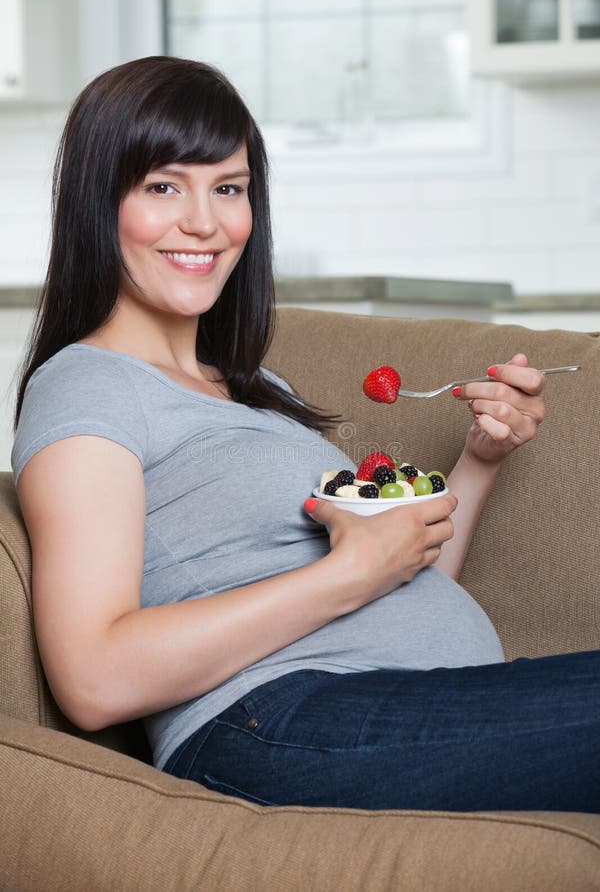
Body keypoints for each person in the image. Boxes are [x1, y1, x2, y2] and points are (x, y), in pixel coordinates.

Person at [11, 56, 599, 814]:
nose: (204, 221)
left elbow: (398, 576)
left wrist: (481, 460)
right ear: (100, 201)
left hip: (404, 705)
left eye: (229, 188)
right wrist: (345, 574)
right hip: (278, 724)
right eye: (163, 186)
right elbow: (92, 677)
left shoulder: (259, 391)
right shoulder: (87, 384)